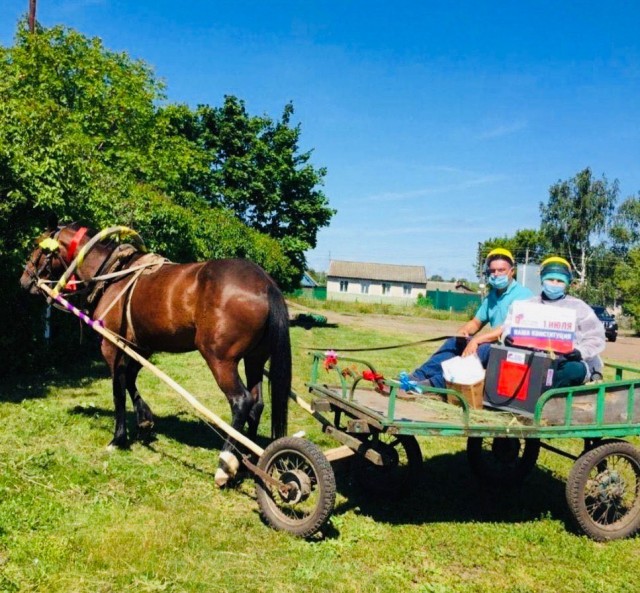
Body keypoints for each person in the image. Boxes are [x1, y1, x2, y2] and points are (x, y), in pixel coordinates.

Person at [409, 248, 533, 388]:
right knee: (454, 342)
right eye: (492, 271)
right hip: (493, 344)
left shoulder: (524, 296)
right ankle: (418, 376)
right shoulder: (492, 296)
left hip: (510, 348)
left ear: (512, 271)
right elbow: (476, 322)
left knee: (480, 349)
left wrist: (476, 340)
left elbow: (507, 328)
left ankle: (433, 385)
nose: (496, 274)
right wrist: (462, 332)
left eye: (501, 270)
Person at [501, 256, 605, 387]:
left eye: (560, 281)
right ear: (542, 280)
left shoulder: (579, 307)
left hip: (565, 361)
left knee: (573, 370)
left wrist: (579, 351)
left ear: (567, 283)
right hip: (533, 358)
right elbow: (508, 326)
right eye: (550, 279)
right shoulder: (527, 305)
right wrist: (508, 336)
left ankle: (545, 393)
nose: (554, 284)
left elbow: (595, 337)